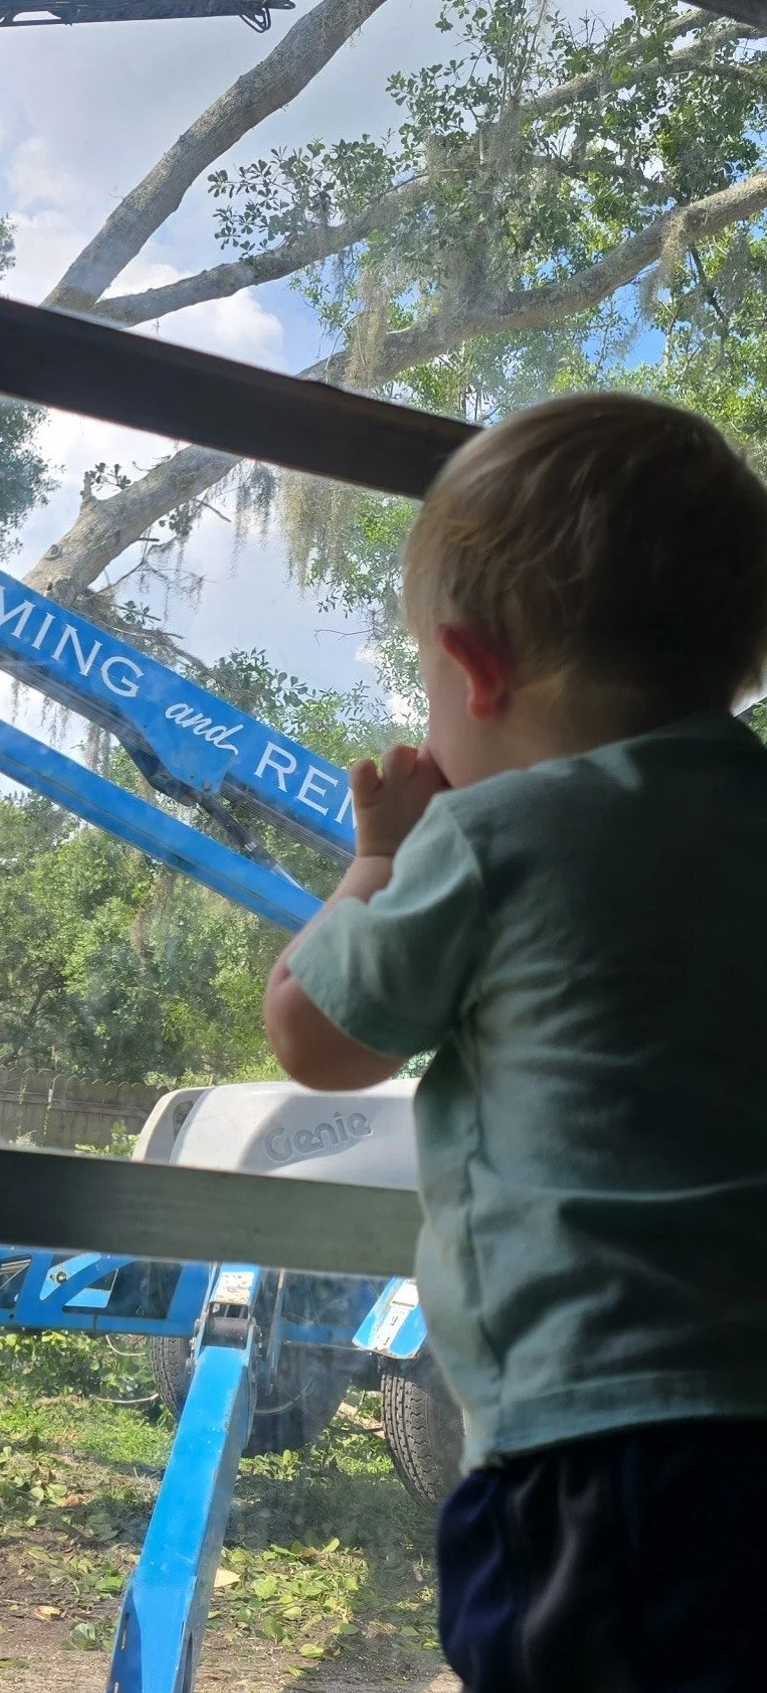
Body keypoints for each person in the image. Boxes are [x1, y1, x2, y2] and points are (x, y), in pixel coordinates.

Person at [261, 392, 767, 1693]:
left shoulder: (494, 839)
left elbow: (319, 1039)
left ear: (475, 668)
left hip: (601, 1448)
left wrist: (381, 854)